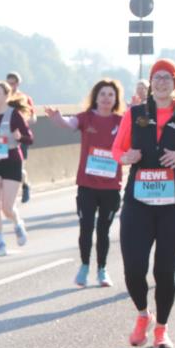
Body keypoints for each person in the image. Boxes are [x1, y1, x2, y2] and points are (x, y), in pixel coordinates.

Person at [112, 58, 175, 348]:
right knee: (133, 268)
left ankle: (162, 330)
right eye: (157, 77)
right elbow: (118, 149)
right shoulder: (135, 113)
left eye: (168, 77)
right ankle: (143, 315)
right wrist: (125, 157)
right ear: (150, 83)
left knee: (165, 271)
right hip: (138, 201)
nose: (162, 82)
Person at [45, 79, 126, 288]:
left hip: (110, 186)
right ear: (95, 98)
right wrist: (57, 118)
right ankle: (84, 266)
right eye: (102, 94)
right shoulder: (86, 118)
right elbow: (68, 123)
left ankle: (102, 269)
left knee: (103, 230)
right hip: (87, 185)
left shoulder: (121, 121)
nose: (106, 98)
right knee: (86, 226)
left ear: (116, 99)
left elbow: (139, 129)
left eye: (111, 95)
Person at [0, 80, 34, 257]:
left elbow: (29, 139)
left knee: (7, 207)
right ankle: (0, 241)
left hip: (11, 161)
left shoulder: (15, 115)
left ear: (6, 96)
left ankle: (17, 222)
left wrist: (20, 136)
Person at [6, 72, 36, 203]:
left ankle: (25, 185)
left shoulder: (25, 98)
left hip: (21, 137)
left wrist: (22, 123)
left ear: (18, 84)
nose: (10, 86)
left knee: (20, 167)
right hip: (5, 137)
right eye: (8, 83)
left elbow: (33, 117)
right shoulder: (3, 97)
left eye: (13, 83)